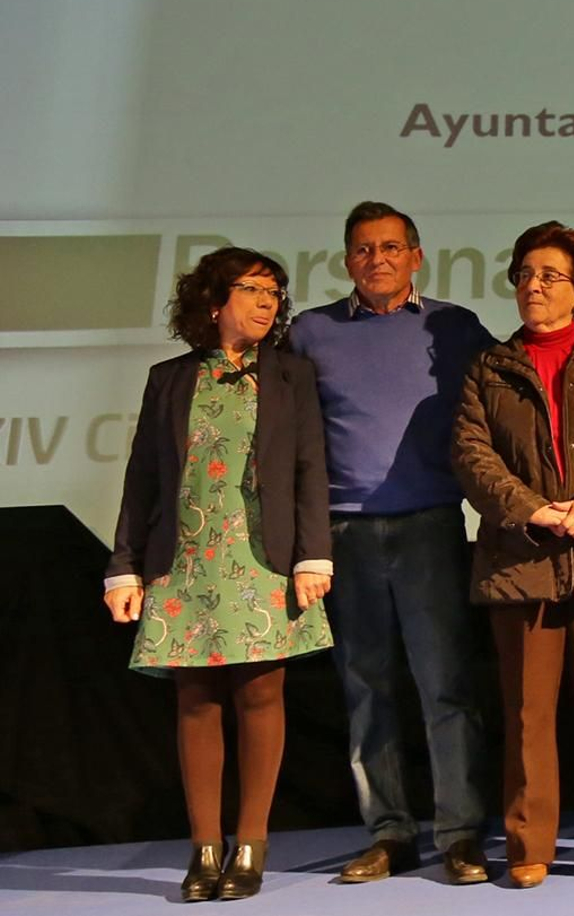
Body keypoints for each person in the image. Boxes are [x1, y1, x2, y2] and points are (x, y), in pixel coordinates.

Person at [105, 247, 333, 901]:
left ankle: (251, 844)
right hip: (186, 564)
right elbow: (143, 478)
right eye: (253, 290)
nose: (267, 303)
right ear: (213, 302)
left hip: (263, 561)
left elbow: (310, 468)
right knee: (196, 701)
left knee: (262, 697)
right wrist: (123, 568)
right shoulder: (171, 379)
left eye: (275, 293)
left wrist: (313, 555)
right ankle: (204, 849)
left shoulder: (291, 377)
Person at [288, 202, 494, 885]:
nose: (376, 259)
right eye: (362, 250)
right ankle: (389, 832)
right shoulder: (311, 333)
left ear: (416, 255)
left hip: (431, 525)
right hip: (344, 535)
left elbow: (516, 377)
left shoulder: (454, 327)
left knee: (446, 688)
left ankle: (461, 833)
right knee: (365, 689)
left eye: (389, 248)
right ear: (346, 260)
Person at [452, 221, 574, 888]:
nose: (532, 286)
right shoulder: (489, 367)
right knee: (527, 714)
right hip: (520, 561)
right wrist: (530, 509)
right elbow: (472, 456)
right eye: (523, 274)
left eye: (548, 276)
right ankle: (528, 843)